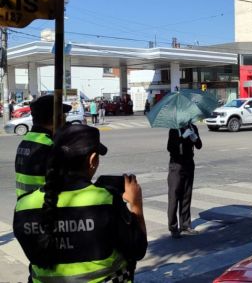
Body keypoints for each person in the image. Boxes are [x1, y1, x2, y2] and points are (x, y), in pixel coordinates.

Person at [13, 124, 147, 282]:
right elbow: (137, 250)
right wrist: (136, 204)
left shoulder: (23, 205)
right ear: (92, 160)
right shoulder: (105, 200)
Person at [14, 95, 71, 197]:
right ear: (55, 119)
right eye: (63, 116)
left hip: (23, 207)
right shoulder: (51, 146)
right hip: (41, 208)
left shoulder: (26, 141)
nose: (65, 119)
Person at [167, 121, 202, 238]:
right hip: (176, 165)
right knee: (174, 196)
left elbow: (199, 146)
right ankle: (173, 227)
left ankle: (185, 225)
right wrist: (181, 138)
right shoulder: (174, 129)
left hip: (189, 163)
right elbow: (170, 148)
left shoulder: (193, 128)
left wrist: (195, 138)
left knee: (186, 195)